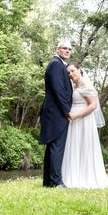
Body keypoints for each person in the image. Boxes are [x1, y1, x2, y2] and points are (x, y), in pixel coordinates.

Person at [61, 63, 108, 189]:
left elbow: (93, 105)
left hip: (83, 120)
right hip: (73, 120)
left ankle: (85, 176)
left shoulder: (86, 85)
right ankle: (72, 175)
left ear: (79, 70)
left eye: (73, 71)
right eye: (69, 73)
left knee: (84, 146)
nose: (71, 74)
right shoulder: (73, 86)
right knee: (74, 146)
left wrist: (76, 116)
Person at [39, 40, 74, 187]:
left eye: (69, 49)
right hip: (56, 112)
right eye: (64, 48)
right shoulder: (55, 64)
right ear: (57, 50)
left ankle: (48, 181)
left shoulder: (60, 65)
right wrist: (67, 111)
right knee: (57, 147)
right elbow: (58, 90)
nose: (67, 51)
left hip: (55, 112)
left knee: (53, 147)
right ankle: (56, 181)